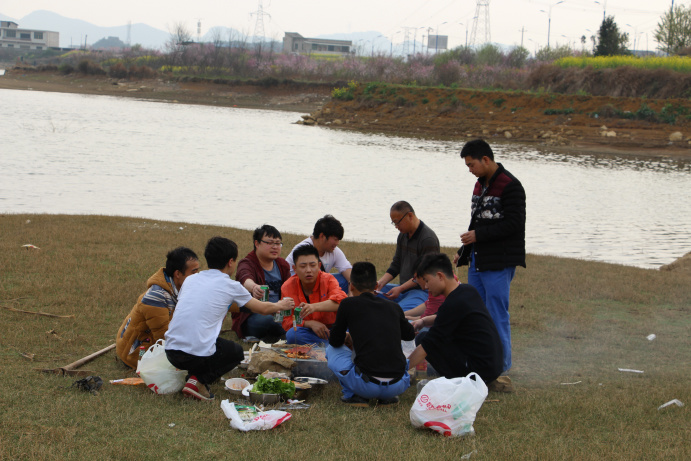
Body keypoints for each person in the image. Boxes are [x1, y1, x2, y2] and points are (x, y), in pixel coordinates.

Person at [164, 237, 294, 401]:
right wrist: (281, 305)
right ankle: (198, 381)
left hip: (171, 350)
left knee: (210, 339)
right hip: (193, 354)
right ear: (231, 262)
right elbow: (262, 308)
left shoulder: (190, 279)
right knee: (236, 352)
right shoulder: (231, 286)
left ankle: (194, 375)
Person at [454, 139, 526, 374]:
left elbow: (514, 225)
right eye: (467, 166)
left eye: (472, 164)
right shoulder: (479, 185)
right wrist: (464, 251)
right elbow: (476, 223)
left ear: (486, 159)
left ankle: (501, 369)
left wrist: (478, 236)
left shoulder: (511, 185)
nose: (470, 170)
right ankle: (480, 363)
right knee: (476, 313)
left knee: (497, 314)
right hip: (477, 261)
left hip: (499, 262)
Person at [327, 262, 415, 407]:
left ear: (351, 286)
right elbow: (409, 335)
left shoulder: (348, 304)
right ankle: (387, 398)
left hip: (366, 385)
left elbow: (335, 341)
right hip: (397, 385)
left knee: (331, 350)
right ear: (376, 286)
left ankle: (354, 396)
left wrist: (349, 337)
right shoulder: (394, 307)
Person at [408, 253, 503, 385]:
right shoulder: (467, 290)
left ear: (440, 276)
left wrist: (399, 371)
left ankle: (414, 375)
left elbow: (427, 346)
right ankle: (425, 372)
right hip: (492, 366)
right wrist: (423, 321)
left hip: (478, 373)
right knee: (428, 336)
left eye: (427, 281)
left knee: (423, 339)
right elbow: (446, 317)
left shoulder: (453, 304)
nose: (425, 287)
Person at [116, 247, 200, 369]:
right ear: (177, 274)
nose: (197, 276)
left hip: (157, 341)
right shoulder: (156, 297)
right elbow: (164, 337)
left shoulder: (180, 288)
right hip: (137, 352)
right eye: (193, 272)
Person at [375, 201, 440, 311]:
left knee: (397, 312)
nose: (396, 226)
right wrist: (380, 284)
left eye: (397, 222)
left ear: (410, 216)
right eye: (393, 223)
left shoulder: (428, 239)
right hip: (402, 289)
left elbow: (424, 276)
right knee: (368, 297)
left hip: (421, 291)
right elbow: (396, 264)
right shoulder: (402, 235)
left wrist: (400, 288)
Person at [232, 225, 291, 341]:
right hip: (255, 315)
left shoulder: (282, 265)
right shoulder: (247, 263)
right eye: (270, 243)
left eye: (278, 243)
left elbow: (290, 289)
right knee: (268, 320)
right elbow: (244, 277)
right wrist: (254, 287)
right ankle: (285, 332)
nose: (275, 247)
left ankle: (281, 331)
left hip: (280, 312)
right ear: (257, 244)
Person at [281, 245, 347, 345]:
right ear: (295, 269)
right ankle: (335, 346)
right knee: (292, 335)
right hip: (309, 330)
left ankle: (332, 344)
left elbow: (342, 303)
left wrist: (313, 307)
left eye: (312, 265)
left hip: (334, 328)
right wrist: (309, 324)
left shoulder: (329, 279)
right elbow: (286, 321)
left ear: (319, 266)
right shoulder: (287, 287)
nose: (308, 270)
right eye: (303, 266)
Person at [285, 215, 352, 294]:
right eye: (335, 239)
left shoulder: (334, 251)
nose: (337, 243)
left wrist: (351, 286)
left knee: (346, 280)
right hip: (298, 286)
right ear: (322, 236)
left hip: (319, 284)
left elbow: (349, 272)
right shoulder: (303, 250)